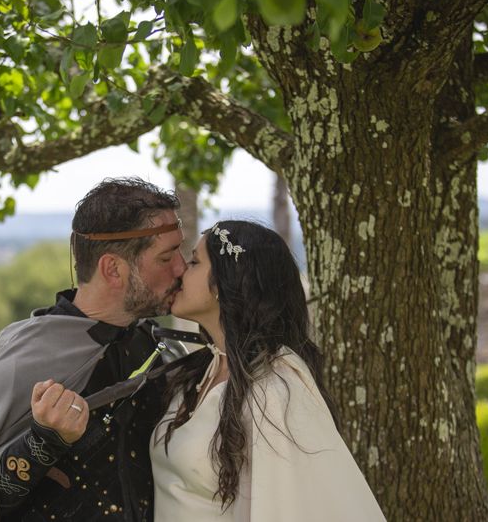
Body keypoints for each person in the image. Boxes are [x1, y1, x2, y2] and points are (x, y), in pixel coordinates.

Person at [0, 178, 188, 522]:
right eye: (166, 257)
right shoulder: (22, 362)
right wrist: (45, 440)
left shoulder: (162, 347)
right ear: (113, 269)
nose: (181, 268)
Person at [150, 220, 386, 521]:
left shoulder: (275, 387)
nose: (181, 270)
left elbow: (283, 507)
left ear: (228, 282)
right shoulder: (201, 373)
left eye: (195, 261)